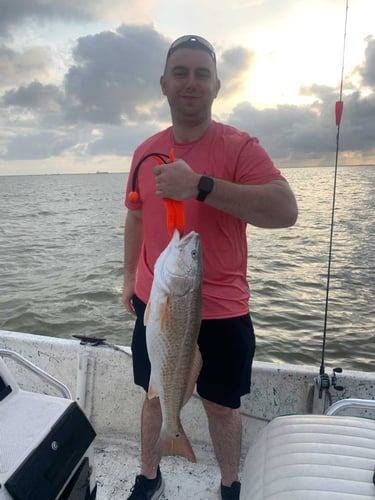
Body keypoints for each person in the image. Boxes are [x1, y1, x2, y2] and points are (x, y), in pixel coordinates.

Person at [122, 34, 298, 500]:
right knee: (154, 398)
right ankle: (148, 474)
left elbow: (285, 211)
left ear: (217, 85)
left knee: (222, 406)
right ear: (164, 84)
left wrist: (200, 184)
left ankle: (228, 483)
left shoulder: (239, 147)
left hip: (221, 310)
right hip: (155, 303)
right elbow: (136, 215)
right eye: (181, 73)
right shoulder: (144, 151)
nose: (191, 83)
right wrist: (128, 280)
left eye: (202, 74)